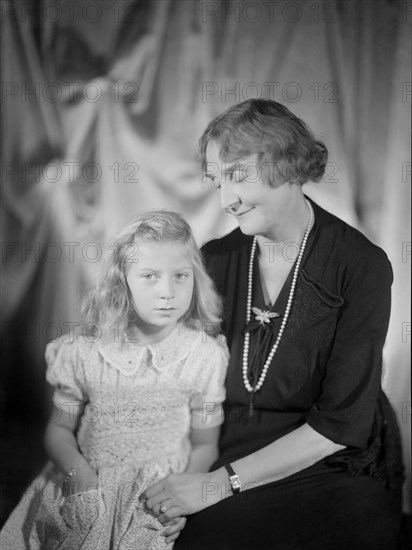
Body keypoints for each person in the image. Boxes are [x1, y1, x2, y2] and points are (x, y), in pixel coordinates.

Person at [143, 99, 404, 549]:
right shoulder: (215, 260)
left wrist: (213, 486)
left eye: (238, 175)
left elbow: (340, 425)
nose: (226, 200)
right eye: (218, 180)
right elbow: (187, 388)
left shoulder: (361, 266)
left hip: (328, 459)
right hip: (230, 439)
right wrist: (184, 475)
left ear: (288, 164)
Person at [0, 211, 229, 549]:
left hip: (157, 495)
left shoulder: (206, 357)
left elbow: (205, 443)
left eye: (180, 275)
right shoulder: (83, 352)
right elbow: (59, 429)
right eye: (150, 275)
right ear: (122, 280)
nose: (167, 291)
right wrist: (79, 475)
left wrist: (183, 492)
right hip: (85, 482)